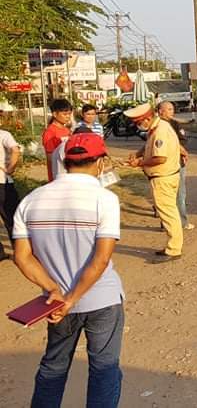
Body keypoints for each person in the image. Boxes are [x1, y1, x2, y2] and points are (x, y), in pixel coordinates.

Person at [11, 132, 124, 407]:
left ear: (64, 160)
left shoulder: (30, 201)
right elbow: (100, 259)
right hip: (101, 300)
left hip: (56, 305)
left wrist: (55, 291)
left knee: (53, 367)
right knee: (104, 369)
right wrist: (72, 297)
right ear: (100, 162)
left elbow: (22, 257)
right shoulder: (104, 199)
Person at [125, 103, 183, 263]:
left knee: (168, 213)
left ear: (147, 118)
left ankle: (174, 249)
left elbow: (160, 158)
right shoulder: (158, 127)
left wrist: (140, 163)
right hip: (166, 175)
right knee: (169, 211)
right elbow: (149, 145)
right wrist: (138, 153)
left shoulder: (160, 132)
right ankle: (173, 245)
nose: (138, 126)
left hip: (163, 177)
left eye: (139, 123)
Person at [158, 101, 194, 231]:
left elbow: (183, 140)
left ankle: (179, 222)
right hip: (166, 164)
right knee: (170, 194)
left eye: (172, 109)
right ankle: (172, 223)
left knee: (177, 193)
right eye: (168, 109)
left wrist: (181, 150)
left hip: (177, 161)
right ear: (160, 111)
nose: (171, 112)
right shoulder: (157, 126)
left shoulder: (174, 124)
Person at [0, 123, 21, 261]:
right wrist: (10, 168)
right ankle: (19, 250)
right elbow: (15, 150)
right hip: (2, 181)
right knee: (11, 216)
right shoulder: (3, 134)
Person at [41, 99, 73, 182]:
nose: (68, 116)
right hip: (58, 175)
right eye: (65, 114)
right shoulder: (50, 132)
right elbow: (50, 157)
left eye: (69, 114)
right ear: (55, 114)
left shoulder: (67, 130)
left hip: (70, 173)